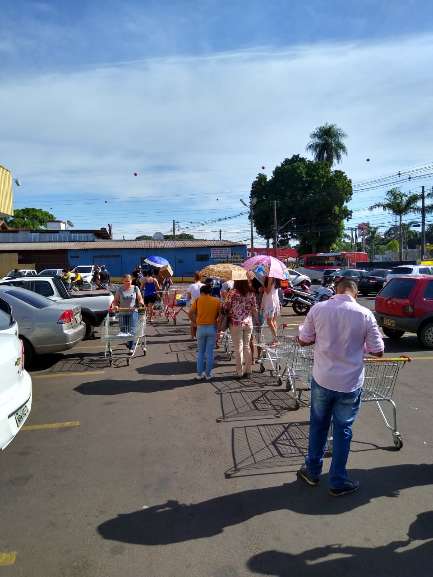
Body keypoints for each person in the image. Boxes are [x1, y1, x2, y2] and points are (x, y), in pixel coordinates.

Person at [296, 278, 384, 496]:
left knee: (318, 425)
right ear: (355, 292)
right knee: (343, 431)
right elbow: (378, 350)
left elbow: (303, 340)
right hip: (349, 384)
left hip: (323, 378)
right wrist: (360, 345)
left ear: (335, 290)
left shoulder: (318, 309)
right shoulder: (365, 314)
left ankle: (312, 471)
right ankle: (337, 480)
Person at [223, 279, 258, 379]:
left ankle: (239, 372)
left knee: (238, 348)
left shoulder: (232, 293)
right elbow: (254, 308)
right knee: (247, 346)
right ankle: (249, 371)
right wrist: (256, 320)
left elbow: (226, 307)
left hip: (235, 323)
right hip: (248, 323)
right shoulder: (251, 293)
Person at [189, 284, 220, 379]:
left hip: (200, 328)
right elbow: (219, 315)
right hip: (212, 328)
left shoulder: (198, 300)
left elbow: (190, 313)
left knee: (201, 352)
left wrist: (195, 322)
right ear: (210, 292)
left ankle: (199, 374)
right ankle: (208, 374)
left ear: (201, 292)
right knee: (210, 352)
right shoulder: (216, 301)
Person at [112, 274, 144, 354]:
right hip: (122, 312)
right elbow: (115, 300)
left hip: (133, 312)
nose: (127, 283)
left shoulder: (135, 288)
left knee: (132, 329)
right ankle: (129, 342)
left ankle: (131, 347)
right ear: (123, 281)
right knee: (123, 330)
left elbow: (140, 298)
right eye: (126, 281)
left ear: (131, 281)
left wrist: (140, 304)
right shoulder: (120, 289)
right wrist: (115, 306)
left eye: (129, 281)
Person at [261, 277, 281, 344]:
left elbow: (267, 291)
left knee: (269, 321)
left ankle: (275, 339)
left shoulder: (270, 278)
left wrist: (263, 283)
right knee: (273, 321)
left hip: (270, 301)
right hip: (275, 300)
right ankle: (274, 339)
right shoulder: (276, 277)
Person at [187, 272, 204, 339]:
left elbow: (188, 297)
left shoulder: (191, 286)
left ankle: (192, 336)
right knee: (202, 320)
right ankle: (200, 335)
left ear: (194, 278)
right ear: (201, 277)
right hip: (202, 305)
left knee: (193, 321)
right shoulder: (204, 285)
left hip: (193, 304)